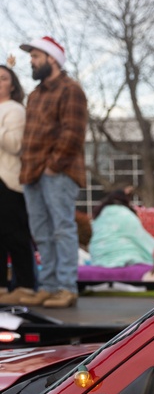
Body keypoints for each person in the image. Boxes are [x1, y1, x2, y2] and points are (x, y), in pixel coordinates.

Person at [18, 36, 87, 309]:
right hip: (32, 174)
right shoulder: (34, 95)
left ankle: (66, 288)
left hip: (57, 172)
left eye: (35, 56)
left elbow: (73, 132)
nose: (31, 62)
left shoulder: (71, 90)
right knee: (42, 233)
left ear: (52, 59)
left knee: (62, 229)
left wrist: (52, 166)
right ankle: (47, 287)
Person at [0, 57, 37, 304]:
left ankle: (25, 284)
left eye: (3, 78)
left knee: (15, 235)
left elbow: (15, 145)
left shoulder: (15, 109)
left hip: (7, 180)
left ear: (12, 85)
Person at [88, 187, 154, 267]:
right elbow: (141, 238)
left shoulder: (100, 215)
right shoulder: (126, 215)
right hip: (123, 257)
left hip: (97, 256)